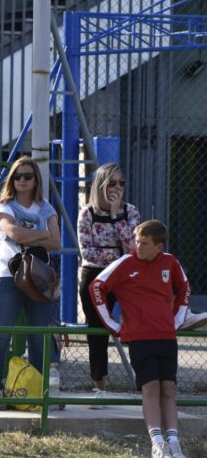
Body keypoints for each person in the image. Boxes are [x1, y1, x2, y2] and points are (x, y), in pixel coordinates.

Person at [89, 220, 191, 458]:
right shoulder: (125, 262)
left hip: (166, 336)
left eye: (144, 243)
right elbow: (96, 286)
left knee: (169, 389)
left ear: (158, 246)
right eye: (137, 241)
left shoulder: (170, 262)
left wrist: (177, 319)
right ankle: (157, 443)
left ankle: (174, 442)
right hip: (139, 337)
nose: (138, 247)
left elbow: (185, 287)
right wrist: (112, 324)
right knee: (150, 387)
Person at [0, 155, 60, 409]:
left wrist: (29, 237)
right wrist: (42, 235)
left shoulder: (46, 207)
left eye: (28, 176)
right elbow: (14, 233)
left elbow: (56, 242)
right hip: (8, 277)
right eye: (17, 176)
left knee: (38, 336)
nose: (22, 180)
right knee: (2, 333)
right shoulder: (3, 207)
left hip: (39, 278)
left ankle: (40, 391)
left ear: (36, 179)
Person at [77, 162, 140, 405]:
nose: (117, 188)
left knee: (137, 324)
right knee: (97, 331)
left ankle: (144, 380)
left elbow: (134, 248)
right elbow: (88, 252)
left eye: (121, 183)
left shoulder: (129, 212)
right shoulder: (87, 213)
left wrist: (115, 216)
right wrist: (118, 253)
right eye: (112, 183)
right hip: (95, 276)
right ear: (101, 185)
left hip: (123, 275)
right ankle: (99, 386)